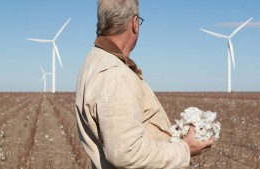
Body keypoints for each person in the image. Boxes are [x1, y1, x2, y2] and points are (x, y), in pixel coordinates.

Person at [75, 0, 215, 168]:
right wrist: (185, 149)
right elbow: (126, 153)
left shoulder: (96, 60)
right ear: (134, 23)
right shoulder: (115, 74)